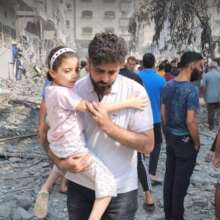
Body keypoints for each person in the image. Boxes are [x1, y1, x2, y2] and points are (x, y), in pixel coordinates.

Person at [42, 33, 154, 220]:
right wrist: (61, 163)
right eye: (99, 71)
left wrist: (109, 127)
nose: (105, 78)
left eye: (112, 72)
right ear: (88, 63)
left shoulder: (135, 93)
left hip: (121, 191)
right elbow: (49, 134)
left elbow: (148, 145)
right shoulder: (73, 90)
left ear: (122, 65)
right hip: (79, 187)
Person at [161, 51, 204, 220]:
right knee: (180, 184)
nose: (202, 69)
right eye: (200, 65)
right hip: (185, 140)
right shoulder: (191, 90)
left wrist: (168, 134)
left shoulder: (168, 85)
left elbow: (164, 113)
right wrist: (197, 142)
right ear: (192, 65)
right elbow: (191, 121)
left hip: (171, 137)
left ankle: (168, 215)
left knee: (169, 178)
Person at [119, 61, 155, 212]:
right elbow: (143, 102)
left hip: (117, 123)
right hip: (133, 124)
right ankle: (148, 194)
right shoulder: (135, 78)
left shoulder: (103, 78)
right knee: (139, 159)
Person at [34, 79, 68, 218]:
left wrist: (41, 125)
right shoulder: (69, 86)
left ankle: (49, 187)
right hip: (65, 124)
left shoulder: (49, 84)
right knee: (67, 156)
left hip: (53, 121)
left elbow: (43, 104)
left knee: (62, 156)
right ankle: (60, 185)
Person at [138, 53, 166, 184]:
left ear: (142, 63)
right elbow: (163, 102)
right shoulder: (161, 80)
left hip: (138, 118)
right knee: (157, 145)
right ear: (154, 63)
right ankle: (152, 172)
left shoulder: (136, 77)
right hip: (155, 118)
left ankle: (140, 170)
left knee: (140, 144)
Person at [201, 61, 220, 130]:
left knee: (210, 112)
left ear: (209, 67)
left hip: (209, 97)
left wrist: (203, 96)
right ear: (216, 67)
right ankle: (219, 122)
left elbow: (203, 86)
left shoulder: (206, 75)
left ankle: (211, 126)